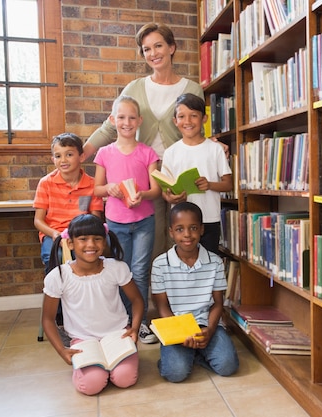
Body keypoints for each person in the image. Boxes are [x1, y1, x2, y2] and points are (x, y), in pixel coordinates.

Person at [82, 22, 211, 262]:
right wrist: (84, 151)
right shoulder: (135, 87)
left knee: (183, 232)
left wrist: (214, 143)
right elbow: (111, 125)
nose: (153, 53)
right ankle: (155, 292)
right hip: (146, 170)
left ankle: (180, 290)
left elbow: (197, 125)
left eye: (158, 46)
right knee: (153, 238)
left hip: (179, 168)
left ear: (171, 47)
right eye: (146, 49)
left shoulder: (192, 88)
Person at [41, 213, 144, 396]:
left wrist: (134, 328)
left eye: (97, 239)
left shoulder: (116, 268)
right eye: (83, 239)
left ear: (104, 242)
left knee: (125, 379)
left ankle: (119, 361)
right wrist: (62, 351)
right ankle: (92, 369)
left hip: (117, 335)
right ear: (71, 243)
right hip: (83, 341)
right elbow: (48, 319)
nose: (91, 245)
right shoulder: (59, 276)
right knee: (91, 386)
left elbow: (137, 300)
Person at [93, 95, 162, 344]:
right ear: (113, 120)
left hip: (144, 221)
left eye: (132, 117)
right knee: (121, 271)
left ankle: (139, 323)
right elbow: (97, 189)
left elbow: (157, 191)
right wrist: (110, 188)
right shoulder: (104, 153)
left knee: (140, 271)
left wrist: (141, 194)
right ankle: (122, 321)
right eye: (121, 117)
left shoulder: (148, 153)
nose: (126, 122)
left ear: (139, 121)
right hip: (115, 222)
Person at [151, 202, 239, 383]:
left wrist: (210, 329)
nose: (187, 235)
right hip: (177, 327)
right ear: (171, 232)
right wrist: (180, 334)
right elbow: (162, 306)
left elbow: (217, 303)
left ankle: (196, 353)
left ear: (201, 230)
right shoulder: (160, 264)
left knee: (228, 366)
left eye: (193, 228)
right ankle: (188, 354)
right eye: (179, 229)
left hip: (207, 324)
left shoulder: (214, 262)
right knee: (175, 373)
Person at [161, 93, 233, 255]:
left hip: (209, 219)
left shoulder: (215, 149)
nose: (187, 121)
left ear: (204, 119)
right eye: (181, 116)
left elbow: (228, 184)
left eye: (193, 116)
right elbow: (165, 190)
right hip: (181, 221)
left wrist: (209, 185)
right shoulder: (171, 152)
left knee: (208, 263)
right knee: (184, 264)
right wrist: (171, 198)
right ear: (175, 121)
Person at [33, 132, 104, 269]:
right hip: (54, 233)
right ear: (53, 159)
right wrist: (55, 234)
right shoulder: (45, 183)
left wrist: (83, 237)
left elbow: (96, 219)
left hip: (83, 233)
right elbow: (38, 221)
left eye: (69, 154)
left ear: (81, 156)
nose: (63, 160)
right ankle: (55, 290)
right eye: (58, 156)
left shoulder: (92, 184)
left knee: (101, 251)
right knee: (54, 256)